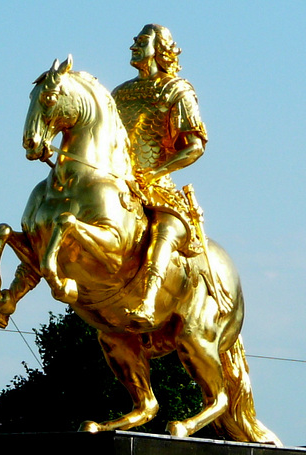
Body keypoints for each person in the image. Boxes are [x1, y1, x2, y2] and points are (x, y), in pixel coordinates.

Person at [112, 24, 207, 328]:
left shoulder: (177, 90)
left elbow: (195, 146)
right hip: (119, 182)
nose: (133, 47)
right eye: (134, 42)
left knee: (163, 233)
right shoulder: (120, 93)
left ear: (160, 49)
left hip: (157, 186)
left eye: (140, 42)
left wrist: (156, 173)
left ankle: (149, 300)